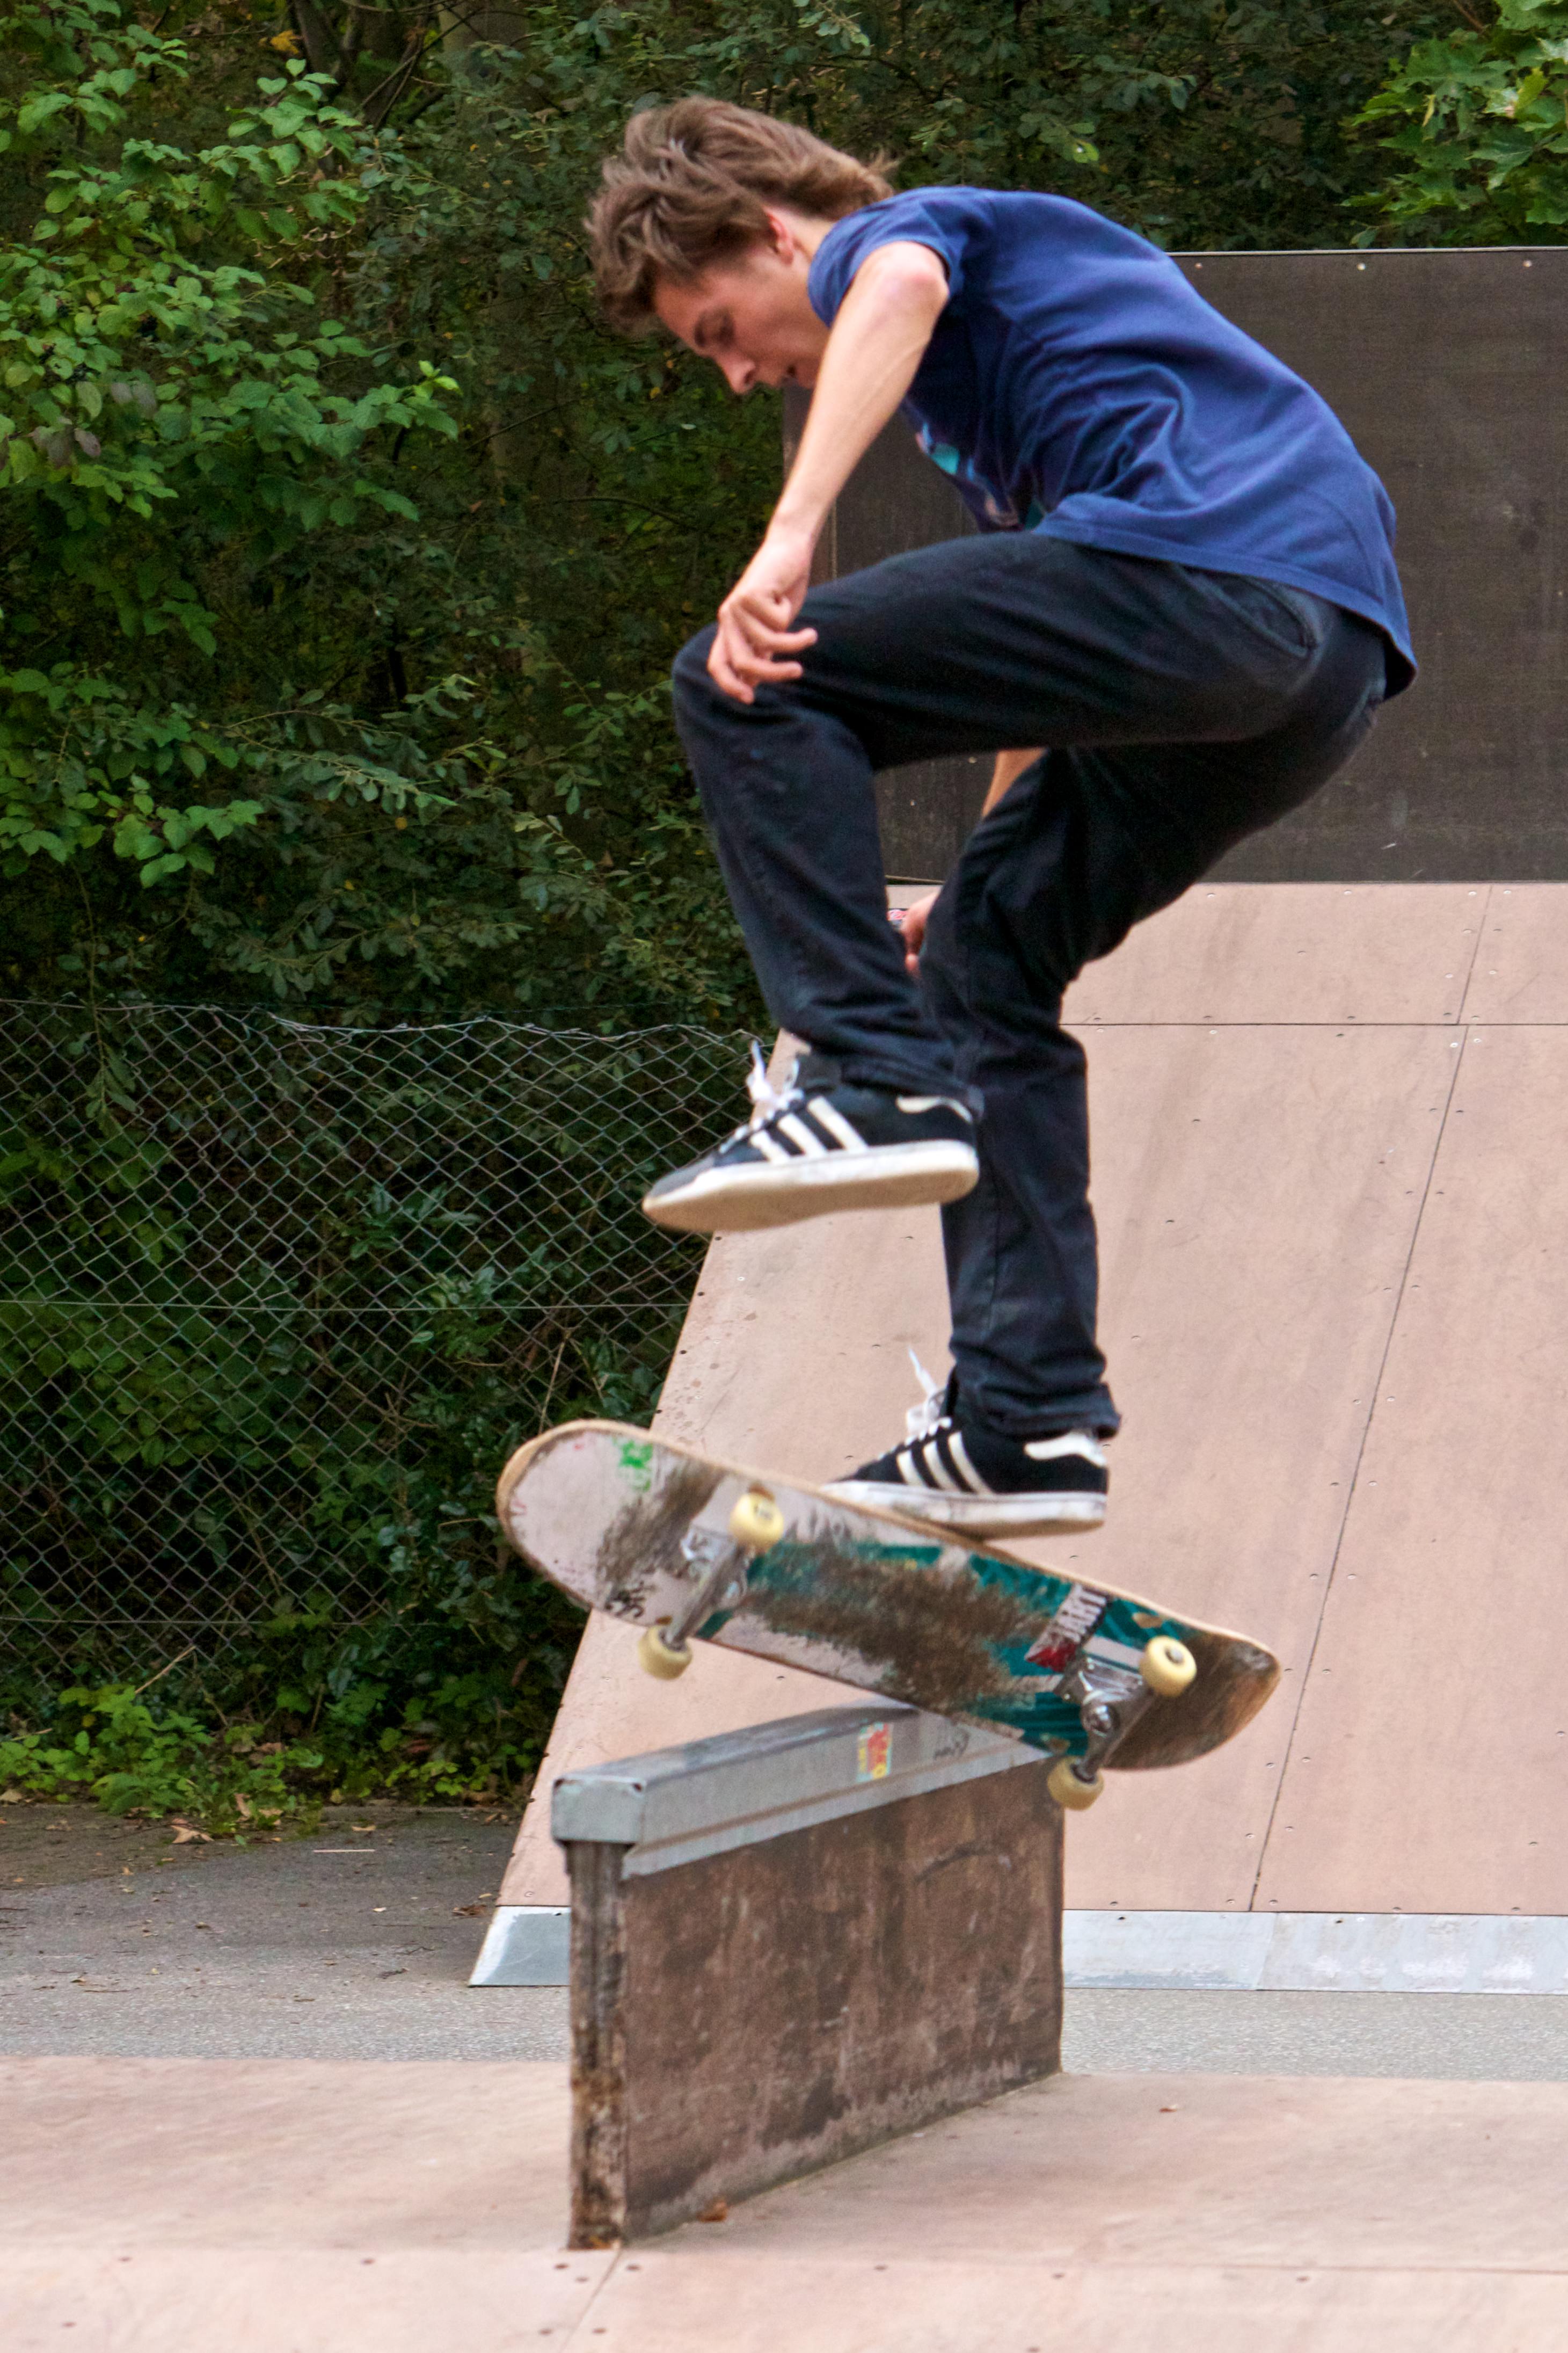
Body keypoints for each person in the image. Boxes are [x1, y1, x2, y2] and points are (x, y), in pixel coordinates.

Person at [586, 100, 1412, 1539]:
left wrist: (788, 538)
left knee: (745, 680)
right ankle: (1024, 1425)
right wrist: (969, 881)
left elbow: (895, 287)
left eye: (718, 330)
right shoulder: (1003, 407)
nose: (737, 374)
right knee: (981, 959)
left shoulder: (911, 236)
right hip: (1311, 671)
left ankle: (864, 1075)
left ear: (775, 236)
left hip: (1211, 576)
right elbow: (1045, 675)